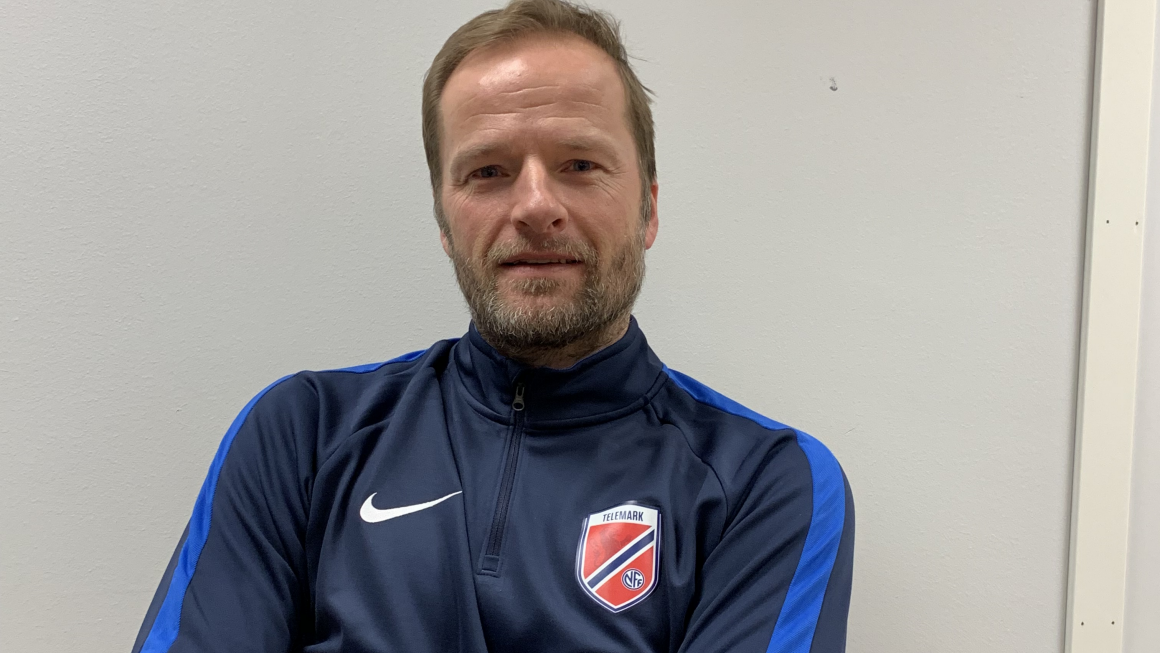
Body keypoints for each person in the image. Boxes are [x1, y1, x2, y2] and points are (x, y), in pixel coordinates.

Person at [131, 0, 855, 651]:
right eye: (487, 171)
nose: (535, 205)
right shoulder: (303, 434)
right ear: (445, 222)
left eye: (580, 163)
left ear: (649, 210)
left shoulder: (765, 483)